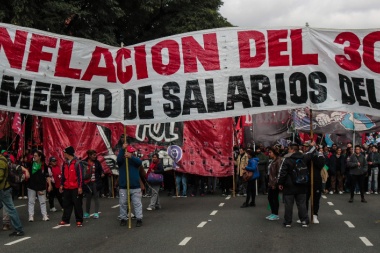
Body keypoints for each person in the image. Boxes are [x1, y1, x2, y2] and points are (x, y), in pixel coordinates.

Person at [278, 142, 316, 228]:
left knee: (288, 205)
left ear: (292, 150)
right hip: (302, 184)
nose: (288, 150)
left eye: (289, 149)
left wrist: (280, 183)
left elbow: (282, 173)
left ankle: (288, 222)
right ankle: (304, 221)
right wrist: (312, 146)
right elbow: (311, 153)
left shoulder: (287, 160)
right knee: (302, 204)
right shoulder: (304, 157)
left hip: (289, 185)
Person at [0, 151, 29, 236]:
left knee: (10, 209)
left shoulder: (1, 161)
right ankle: (18, 228)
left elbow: (0, 176)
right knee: (10, 208)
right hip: (4, 188)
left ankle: (19, 229)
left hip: (3, 189)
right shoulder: (3, 159)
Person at [117, 144, 143, 227]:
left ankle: (139, 219)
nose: (130, 153)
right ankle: (123, 218)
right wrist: (122, 149)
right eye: (128, 152)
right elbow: (118, 160)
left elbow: (139, 162)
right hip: (124, 186)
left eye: (131, 152)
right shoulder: (121, 160)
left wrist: (131, 157)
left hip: (135, 186)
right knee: (123, 203)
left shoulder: (135, 160)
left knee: (137, 203)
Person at [59, 146, 84, 227]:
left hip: (75, 187)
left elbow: (80, 176)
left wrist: (80, 187)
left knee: (77, 205)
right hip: (67, 187)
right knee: (66, 204)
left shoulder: (77, 163)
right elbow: (63, 175)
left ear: (68, 153)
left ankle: (79, 220)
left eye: (65, 153)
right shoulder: (65, 163)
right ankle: (65, 219)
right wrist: (62, 185)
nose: (64, 154)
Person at [27, 150, 51, 222]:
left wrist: (49, 185)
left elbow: (47, 176)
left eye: (36, 156)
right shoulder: (31, 164)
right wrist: (27, 172)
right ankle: (31, 215)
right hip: (32, 186)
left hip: (41, 186)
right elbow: (25, 169)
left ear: (40, 157)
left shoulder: (44, 165)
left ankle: (44, 215)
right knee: (31, 201)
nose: (34, 157)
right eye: (33, 156)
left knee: (43, 201)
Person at [306, 146, 325, 224]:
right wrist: (310, 154)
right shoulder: (306, 154)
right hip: (306, 180)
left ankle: (315, 215)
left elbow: (320, 165)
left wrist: (314, 157)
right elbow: (304, 161)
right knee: (305, 199)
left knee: (316, 199)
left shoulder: (320, 156)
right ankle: (304, 216)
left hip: (316, 181)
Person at [82, 150, 103, 219]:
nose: (95, 156)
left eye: (95, 155)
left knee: (96, 197)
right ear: (89, 155)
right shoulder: (84, 162)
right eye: (93, 155)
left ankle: (96, 213)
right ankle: (87, 213)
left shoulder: (97, 163)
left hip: (96, 182)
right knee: (88, 198)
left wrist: (102, 173)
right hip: (87, 183)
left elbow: (101, 170)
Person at [266, 146, 282, 221]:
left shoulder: (278, 161)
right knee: (270, 198)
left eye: (270, 152)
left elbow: (279, 173)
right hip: (270, 181)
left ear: (274, 153)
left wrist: (275, 183)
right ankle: (273, 213)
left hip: (274, 182)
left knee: (274, 198)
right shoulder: (273, 160)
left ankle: (276, 214)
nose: (269, 154)